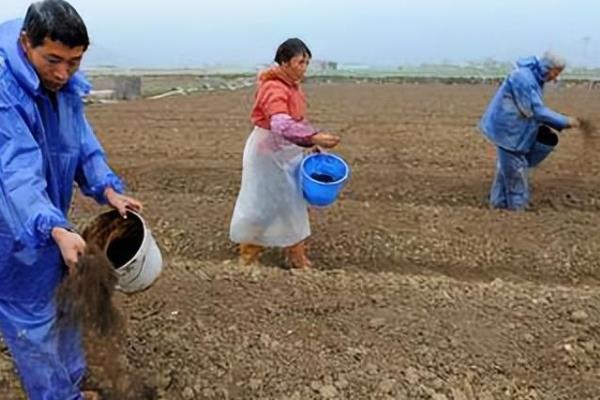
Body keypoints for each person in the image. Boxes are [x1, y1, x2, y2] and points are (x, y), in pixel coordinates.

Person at [0, 1, 141, 399]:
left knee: (64, 296)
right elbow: (16, 172)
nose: (63, 73)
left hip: (44, 214)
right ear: (26, 43)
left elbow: (79, 141)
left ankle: (72, 380)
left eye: (74, 62)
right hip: (9, 224)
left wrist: (107, 187)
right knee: (31, 317)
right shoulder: (5, 92)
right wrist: (55, 227)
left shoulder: (62, 87)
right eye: (54, 60)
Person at [230, 38, 341, 269]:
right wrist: (313, 137)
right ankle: (249, 255)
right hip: (266, 154)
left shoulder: (292, 87)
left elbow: (296, 121)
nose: (304, 67)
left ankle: (295, 255)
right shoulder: (273, 87)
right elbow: (280, 124)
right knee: (261, 204)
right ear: (284, 62)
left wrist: (309, 141)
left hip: (285, 153)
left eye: (307, 62)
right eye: (300, 62)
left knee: (291, 203)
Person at [479, 51, 581, 211]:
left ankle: (498, 207)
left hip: (514, 130)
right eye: (556, 72)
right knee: (516, 173)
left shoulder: (533, 77)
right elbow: (534, 110)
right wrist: (565, 121)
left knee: (505, 172)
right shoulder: (523, 78)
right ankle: (517, 213)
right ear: (549, 67)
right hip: (509, 132)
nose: (556, 78)